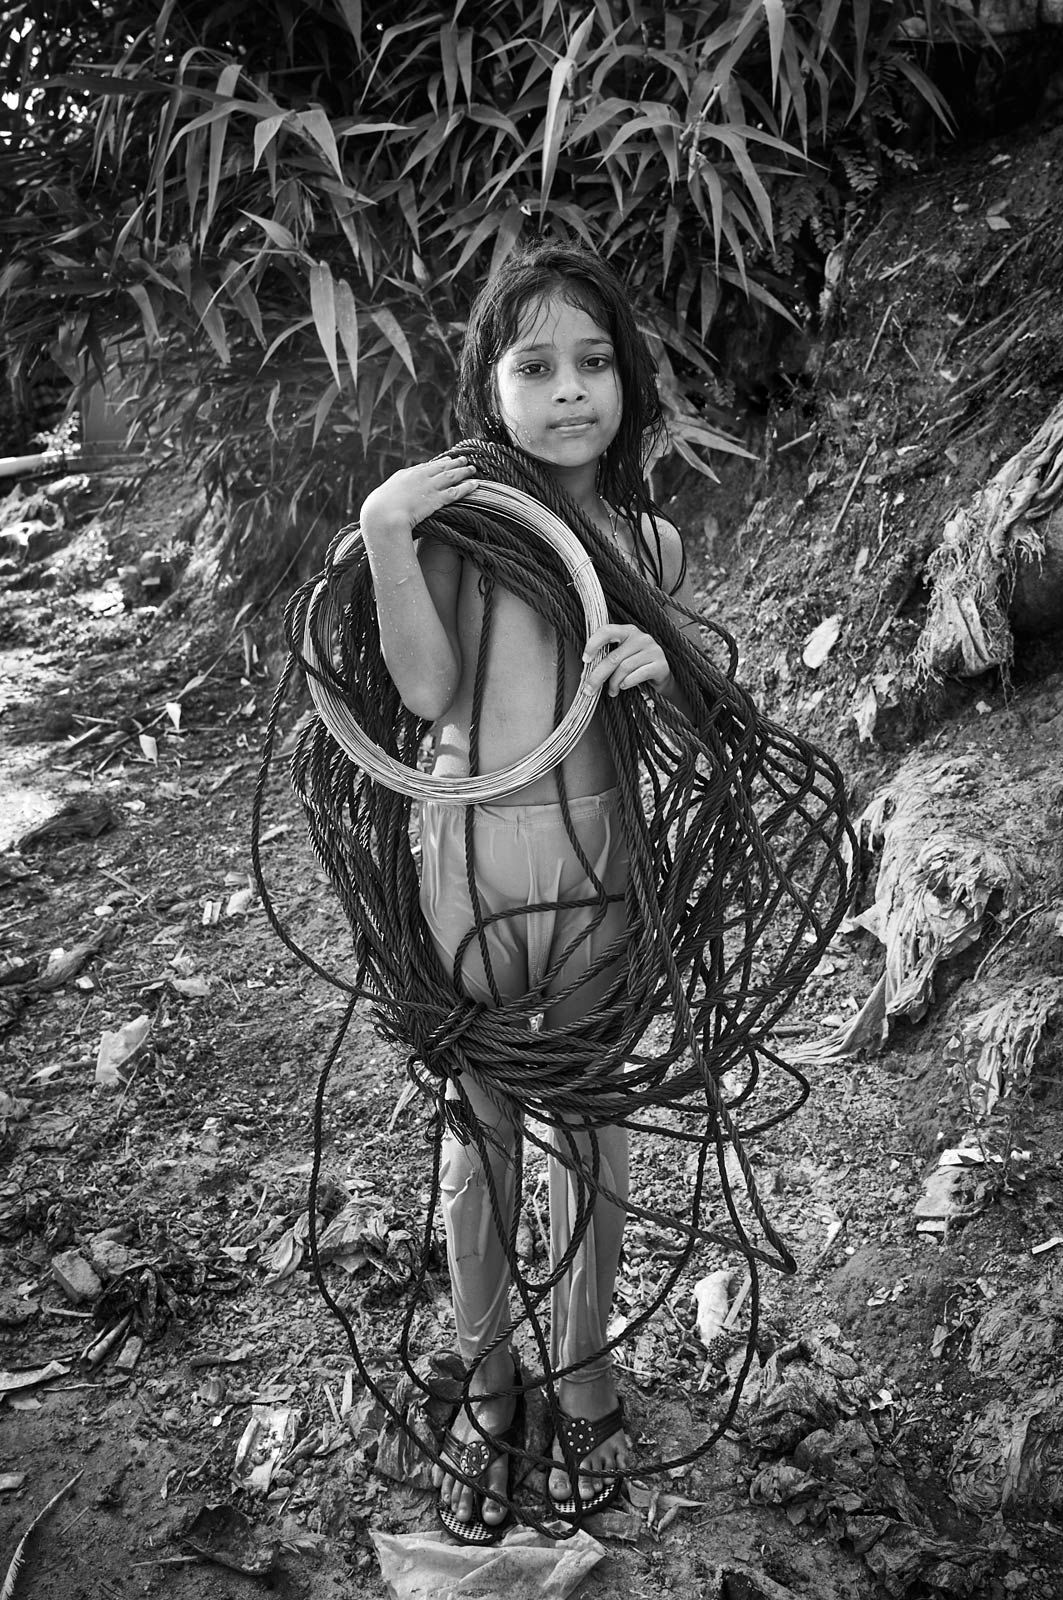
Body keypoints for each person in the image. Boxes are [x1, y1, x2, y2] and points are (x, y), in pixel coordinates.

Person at [356, 241, 703, 1543]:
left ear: (627, 381)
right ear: (490, 388)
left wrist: (652, 675)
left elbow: (675, 746)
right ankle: (491, 1380)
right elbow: (432, 696)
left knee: (593, 1125)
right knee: (485, 1129)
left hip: (599, 869)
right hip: (472, 870)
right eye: (535, 364)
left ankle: (585, 1369)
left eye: (593, 362)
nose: (570, 391)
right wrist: (391, 529)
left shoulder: (650, 541)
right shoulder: (465, 540)